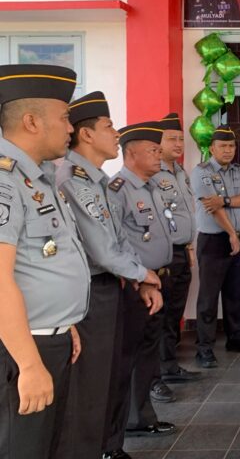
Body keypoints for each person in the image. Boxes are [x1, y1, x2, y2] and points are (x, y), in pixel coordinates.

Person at [54, 92, 162, 459]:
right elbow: (101, 249)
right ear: (86, 135)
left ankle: (109, 447)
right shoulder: (73, 180)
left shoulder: (99, 182)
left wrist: (138, 278)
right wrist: (143, 274)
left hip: (112, 287)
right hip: (88, 293)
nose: (116, 133)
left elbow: (119, 239)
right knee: (92, 384)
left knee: (114, 374)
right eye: (109, 127)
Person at [0, 64, 90, 459]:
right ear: (32, 121)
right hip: (21, 349)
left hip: (46, 339)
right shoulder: (5, 181)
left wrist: (63, 322)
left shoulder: (36, 177)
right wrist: (30, 364)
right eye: (65, 117)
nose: (71, 128)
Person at [103, 122, 176, 457]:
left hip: (157, 280)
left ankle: (142, 416)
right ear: (131, 153)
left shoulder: (152, 186)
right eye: (153, 150)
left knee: (147, 353)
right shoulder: (118, 189)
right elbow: (114, 243)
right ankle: (119, 432)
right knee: (128, 358)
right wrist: (140, 279)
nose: (159, 156)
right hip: (134, 286)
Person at [191, 124, 240, 369]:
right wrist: (231, 233)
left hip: (238, 238)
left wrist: (227, 200)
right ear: (212, 148)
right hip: (214, 241)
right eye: (223, 146)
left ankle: (235, 337)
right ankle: (204, 348)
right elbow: (212, 206)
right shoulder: (201, 172)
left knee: (234, 292)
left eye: (231, 146)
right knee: (208, 297)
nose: (228, 150)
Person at [149, 113, 200, 404]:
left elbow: (185, 214)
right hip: (164, 254)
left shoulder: (180, 172)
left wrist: (190, 249)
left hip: (182, 251)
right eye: (172, 139)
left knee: (174, 313)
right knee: (159, 316)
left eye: (181, 138)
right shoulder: (154, 174)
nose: (179, 143)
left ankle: (169, 366)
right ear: (159, 142)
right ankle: (153, 377)